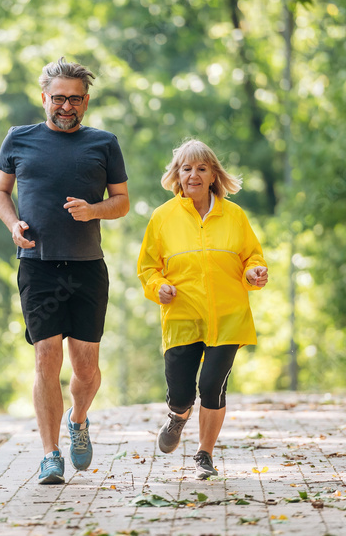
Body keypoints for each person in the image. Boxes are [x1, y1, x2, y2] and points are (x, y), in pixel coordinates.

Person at [0, 56, 129, 485]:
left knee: (85, 369)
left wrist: (93, 211)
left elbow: (122, 201)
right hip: (38, 266)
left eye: (74, 99)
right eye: (58, 98)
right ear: (44, 99)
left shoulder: (104, 143)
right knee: (45, 356)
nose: (65, 106)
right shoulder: (18, 139)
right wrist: (13, 223)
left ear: (85, 102)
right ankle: (49, 454)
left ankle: (78, 418)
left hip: (87, 267)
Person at [137, 138, 268, 480]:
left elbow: (252, 256)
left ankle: (204, 454)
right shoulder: (162, 218)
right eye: (186, 168)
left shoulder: (234, 215)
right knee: (180, 395)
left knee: (212, 386)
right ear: (177, 176)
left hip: (228, 317)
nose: (193, 174)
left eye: (201, 168)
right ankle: (179, 416)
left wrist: (254, 271)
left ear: (213, 175)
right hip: (182, 318)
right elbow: (148, 268)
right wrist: (157, 287)